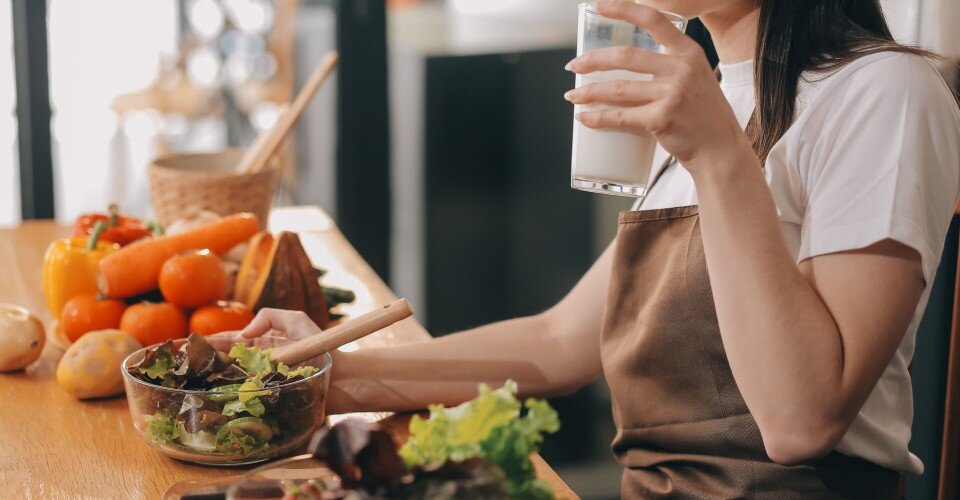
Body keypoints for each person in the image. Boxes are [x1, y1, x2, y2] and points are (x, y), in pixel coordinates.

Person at [233, 0, 960, 496]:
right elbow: (559, 341)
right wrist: (334, 374)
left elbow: (803, 421)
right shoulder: (710, 96)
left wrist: (717, 155)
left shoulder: (885, 91)